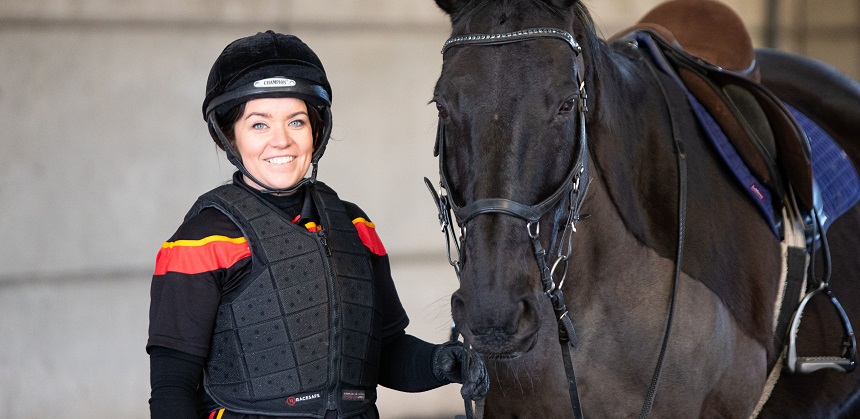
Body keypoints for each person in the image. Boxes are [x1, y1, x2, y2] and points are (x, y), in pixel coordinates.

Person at [147, 30, 488, 419]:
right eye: (259, 125)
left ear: (316, 130)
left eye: (296, 121)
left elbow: (383, 352)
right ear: (229, 136)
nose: (281, 141)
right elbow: (172, 390)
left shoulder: (356, 227)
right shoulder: (201, 243)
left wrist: (443, 363)